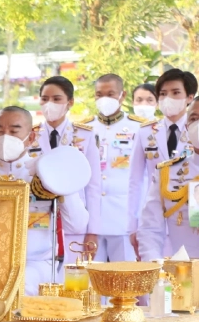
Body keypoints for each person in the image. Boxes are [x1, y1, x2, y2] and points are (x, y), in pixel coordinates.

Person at [0, 106, 89, 294]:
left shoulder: (47, 172)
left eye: (14, 131)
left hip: (36, 263)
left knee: (21, 287)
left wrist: (59, 184)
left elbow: (77, 225)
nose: (5, 137)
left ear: (31, 137)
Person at [128, 69, 197, 257]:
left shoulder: (194, 128)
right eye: (163, 94)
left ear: (189, 97)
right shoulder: (146, 131)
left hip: (186, 220)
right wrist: (133, 225)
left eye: (175, 93)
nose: (168, 99)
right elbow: (135, 181)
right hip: (155, 215)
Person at [30, 76, 101, 256]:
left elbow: (93, 186)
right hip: (38, 222)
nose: (49, 104)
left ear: (70, 102)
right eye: (45, 99)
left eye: (56, 99)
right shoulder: (30, 135)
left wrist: (93, 230)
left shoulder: (85, 135)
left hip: (75, 220)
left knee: (73, 271)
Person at [85, 74, 151, 262]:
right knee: (91, 276)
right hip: (90, 219)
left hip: (124, 218)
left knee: (125, 275)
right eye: (99, 94)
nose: (104, 99)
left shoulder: (139, 127)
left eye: (110, 94)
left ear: (123, 95)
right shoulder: (84, 128)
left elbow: (146, 176)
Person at [138, 99, 199, 261]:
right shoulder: (167, 172)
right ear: (187, 126)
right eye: (194, 118)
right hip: (183, 271)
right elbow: (150, 228)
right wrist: (155, 266)